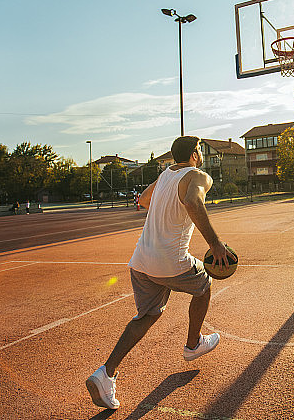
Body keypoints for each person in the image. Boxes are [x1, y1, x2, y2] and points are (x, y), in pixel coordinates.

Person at [86, 136, 231, 410]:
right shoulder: (198, 175)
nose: (200, 155)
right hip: (170, 261)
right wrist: (215, 243)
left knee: (147, 315)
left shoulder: (166, 175)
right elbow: (192, 201)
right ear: (194, 155)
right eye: (199, 151)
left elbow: (142, 200)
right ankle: (193, 344)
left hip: (141, 260)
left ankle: (105, 374)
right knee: (205, 284)